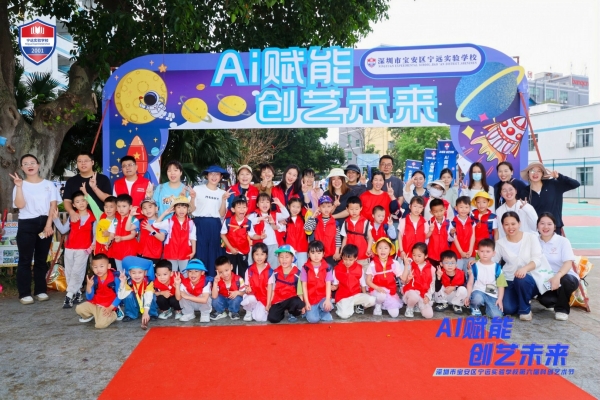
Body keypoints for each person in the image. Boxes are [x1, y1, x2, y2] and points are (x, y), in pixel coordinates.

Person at [11, 154, 61, 305]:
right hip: (27, 223)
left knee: (41, 259)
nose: (30, 165)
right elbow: (20, 205)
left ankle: (40, 290)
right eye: (25, 163)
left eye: (32, 162)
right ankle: (24, 293)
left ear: (38, 165)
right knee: (25, 260)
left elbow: (53, 206)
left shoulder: (49, 185)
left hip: (45, 223)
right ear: (22, 168)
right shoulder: (19, 185)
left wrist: (48, 224)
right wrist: (19, 186)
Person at [493, 211, 542, 320]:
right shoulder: (500, 243)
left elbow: (537, 259)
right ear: (502, 226)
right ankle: (521, 298)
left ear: (519, 223)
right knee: (507, 309)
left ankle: (525, 310)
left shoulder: (531, 237)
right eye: (506, 224)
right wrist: (478, 262)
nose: (510, 227)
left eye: (513, 224)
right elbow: (493, 261)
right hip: (509, 279)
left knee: (521, 279)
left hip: (529, 278)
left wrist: (525, 269)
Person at [52, 191, 96, 309]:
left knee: (77, 272)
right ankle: (78, 293)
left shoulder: (93, 218)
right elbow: (63, 230)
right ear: (73, 205)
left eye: (83, 200)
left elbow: (95, 234)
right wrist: (56, 219)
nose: (81, 203)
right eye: (77, 202)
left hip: (83, 249)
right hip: (69, 248)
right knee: (70, 273)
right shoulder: (73, 216)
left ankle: (69, 296)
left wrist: (92, 245)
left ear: (87, 202)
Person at [537, 213, 580, 321]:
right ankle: (557, 299)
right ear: (537, 226)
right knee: (546, 300)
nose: (545, 227)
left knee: (566, 281)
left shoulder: (563, 241)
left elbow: (568, 263)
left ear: (555, 226)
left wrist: (557, 276)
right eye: (542, 223)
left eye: (549, 224)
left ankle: (562, 309)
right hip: (546, 280)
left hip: (564, 276)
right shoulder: (534, 241)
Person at [190, 165, 232, 277]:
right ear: (207, 176)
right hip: (199, 224)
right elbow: (191, 210)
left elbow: (222, 214)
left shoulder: (222, 193)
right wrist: (192, 198)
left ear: (221, 177)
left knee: (214, 251)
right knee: (200, 251)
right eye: (211, 174)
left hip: (215, 225)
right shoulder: (197, 189)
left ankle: (214, 279)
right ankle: (199, 280)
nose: (214, 177)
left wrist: (223, 200)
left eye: (217, 174)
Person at [521, 161, 580, 234]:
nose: (535, 173)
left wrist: (559, 177)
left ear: (542, 174)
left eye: (539, 171)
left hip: (554, 229)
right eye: (532, 171)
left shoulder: (553, 184)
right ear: (528, 173)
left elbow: (576, 184)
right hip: (535, 231)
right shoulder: (525, 192)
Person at [75, 253, 121, 329]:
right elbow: (89, 298)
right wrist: (89, 286)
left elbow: (120, 296)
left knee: (100, 325)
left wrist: (110, 308)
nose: (98, 270)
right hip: (95, 303)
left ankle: (115, 314)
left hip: (108, 306)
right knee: (79, 309)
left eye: (101, 266)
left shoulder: (115, 279)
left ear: (108, 266)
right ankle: (94, 315)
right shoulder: (94, 279)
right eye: (95, 267)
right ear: (92, 268)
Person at [63, 152, 111, 221]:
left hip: (101, 219)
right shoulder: (71, 181)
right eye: (80, 161)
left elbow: (108, 200)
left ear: (92, 162)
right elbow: (67, 201)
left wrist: (95, 188)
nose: (83, 163)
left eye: (86, 161)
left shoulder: (103, 179)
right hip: (79, 219)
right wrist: (72, 212)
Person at [331, 244, 376, 319]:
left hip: (356, 295)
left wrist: (364, 295)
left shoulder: (359, 268)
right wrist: (332, 287)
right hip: (343, 297)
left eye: (350, 260)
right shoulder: (337, 269)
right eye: (345, 259)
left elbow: (363, 284)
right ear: (342, 257)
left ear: (356, 258)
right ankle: (346, 306)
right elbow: (335, 285)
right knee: (344, 315)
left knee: (372, 300)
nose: (347, 262)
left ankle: (358, 305)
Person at [465, 239, 507, 318]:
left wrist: (500, 299)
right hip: (478, 291)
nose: (484, 254)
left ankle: (485, 308)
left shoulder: (497, 268)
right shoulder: (475, 266)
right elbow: (470, 283)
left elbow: (501, 285)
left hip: (492, 293)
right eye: (482, 251)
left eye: (488, 251)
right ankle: (474, 306)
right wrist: (468, 296)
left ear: (493, 253)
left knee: (497, 316)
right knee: (477, 299)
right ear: (478, 252)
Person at [154, 196, 196, 273]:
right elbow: (156, 225)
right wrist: (165, 213)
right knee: (172, 274)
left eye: (184, 207)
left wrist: (193, 251)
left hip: (185, 253)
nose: (181, 210)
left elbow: (193, 237)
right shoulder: (170, 221)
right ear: (174, 209)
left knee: (185, 273)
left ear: (187, 209)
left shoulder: (190, 223)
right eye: (178, 207)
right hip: (171, 252)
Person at [366, 238, 404, 318]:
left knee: (394, 314)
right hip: (377, 290)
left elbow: (403, 279)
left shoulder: (395, 263)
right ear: (376, 250)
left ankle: (385, 303)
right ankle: (378, 305)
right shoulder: (372, 264)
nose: (383, 250)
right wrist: (377, 288)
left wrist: (406, 265)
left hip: (390, 291)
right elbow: (368, 281)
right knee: (381, 296)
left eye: (386, 248)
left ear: (390, 250)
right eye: (380, 248)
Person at [248, 193, 289, 268]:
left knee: (273, 266)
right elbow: (248, 222)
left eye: (267, 202)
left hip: (273, 244)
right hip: (259, 245)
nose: (265, 204)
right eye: (262, 202)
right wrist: (260, 219)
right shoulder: (254, 215)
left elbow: (286, 215)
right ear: (257, 204)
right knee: (258, 266)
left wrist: (279, 204)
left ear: (270, 204)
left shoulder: (274, 214)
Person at [266, 245, 305, 323]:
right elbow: (272, 290)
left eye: (287, 257)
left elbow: (300, 291)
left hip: (291, 300)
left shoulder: (297, 273)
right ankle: (282, 313)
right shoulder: (275, 272)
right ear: (278, 259)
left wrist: (302, 305)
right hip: (279, 300)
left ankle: (292, 313)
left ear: (292, 258)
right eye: (281, 257)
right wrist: (269, 303)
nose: (284, 260)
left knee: (297, 303)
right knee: (272, 318)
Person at [221, 197, 258, 278]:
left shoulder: (248, 222)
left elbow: (252, 235)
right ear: (233, 209)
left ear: (247, 209)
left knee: (243, 270)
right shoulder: (228, 221)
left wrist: (260, 236)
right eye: (239, 207)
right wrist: (231, 248)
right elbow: (222, 235)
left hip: (243, 250)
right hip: (230, 251)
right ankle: (232, 284)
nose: (242, 209)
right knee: (230, 270)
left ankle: (243, 284)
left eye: (244, 207)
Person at [117, 256, 159, 329]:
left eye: (140, 272)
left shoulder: (148, 282)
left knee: (151, 295)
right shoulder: (128, 282)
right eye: (133, 273)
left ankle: (151, 313)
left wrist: (145, 312)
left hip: (146, 304)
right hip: (136, 303)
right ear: (129, 273)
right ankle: (131, 314)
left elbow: (148, 297)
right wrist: (122, 283)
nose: (137, 275)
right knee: (128, 295)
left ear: (145, 272)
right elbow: (121, 296)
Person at [301, 241, 334, 323]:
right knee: (313, 320)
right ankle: (317, 312)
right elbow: (304, 286)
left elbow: (328, 284)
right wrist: (306, 302)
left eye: (319, 253)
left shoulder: (327, 267)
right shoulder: (305, 268)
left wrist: (327, 299)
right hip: (311, 299)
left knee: (328, 307)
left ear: (323, 254)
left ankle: (321, 310)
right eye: (313, 253)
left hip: (323, 297)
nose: (316, 256)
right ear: (308, 254)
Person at [304, 195, 342, 265]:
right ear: (319, 208)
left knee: (329, 270)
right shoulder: (316, 221)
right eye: (323, 207)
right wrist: (313, 216)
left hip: (331, 254)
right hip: (317, 254)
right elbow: (307, 228)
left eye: (329, 206)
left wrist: (337, 252)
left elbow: (338, 239)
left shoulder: (335, 223)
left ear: (332, 207)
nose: (326, 209)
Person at [400, 242, 435, 319]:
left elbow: (432, 285)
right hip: (411, 291)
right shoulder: (410, 265)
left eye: (419, 256)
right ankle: (410, 308)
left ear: (426, 255)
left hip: (423, 294)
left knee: (429, 315)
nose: (416, 258)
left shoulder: (432, 269)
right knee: (414, 296)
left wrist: (428, 296)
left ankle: (417, 305)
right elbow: (403, 281)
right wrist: (408, 277)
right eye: (414, 255)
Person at [340, 196, 374, 271]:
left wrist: (368, 249)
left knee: (364, 273)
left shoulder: (365, 222)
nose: (354, 211)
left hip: (363, 255)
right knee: (351, 274)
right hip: (350, 257)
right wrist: (342, 251)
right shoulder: (346, 222)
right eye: (351, 209)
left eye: (356, 209)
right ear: (347, 209)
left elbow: (370, 237)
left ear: (361, 208)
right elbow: (345, 238)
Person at [241, 243, 273, 322]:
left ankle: (256, 310)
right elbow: (246, 286)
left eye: (262, 254)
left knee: (259, 319)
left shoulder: (270, 271)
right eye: (257, 254)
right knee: (251, 298)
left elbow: (270, 289)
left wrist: (268, 304)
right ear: (253, 255)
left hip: (263, 298)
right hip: (252, 296)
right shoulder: (249, 270)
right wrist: (247, 289)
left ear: (266, 255)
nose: (259, 257)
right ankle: (249, 311)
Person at [108, 194, 139, 271]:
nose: (121, 209)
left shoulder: (134, 220)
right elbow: (111, 234)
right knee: (120, 271)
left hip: (130, 251)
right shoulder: (115, 220)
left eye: (124, 206)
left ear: (130, 207)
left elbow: (133, 234)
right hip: (117, 250)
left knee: (131, 271)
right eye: (119, 206)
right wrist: (108, 243)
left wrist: (121, 238)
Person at [211, 256, 246, 320]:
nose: (225, 274)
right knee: (215, 300)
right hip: (222, 301)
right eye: (221, 272)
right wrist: (215, 283)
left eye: (226, 270)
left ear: (231, 267)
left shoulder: (239, 279)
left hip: (233, 300)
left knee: (237, 298)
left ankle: (234, 312)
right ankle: (220, 312)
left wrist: (237, 292)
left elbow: (244, 293)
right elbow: (214, 296)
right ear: (217, 272)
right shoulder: (217, 280)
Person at [433, 250, 467, 314]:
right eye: (446, 263)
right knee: (438, 285)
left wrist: (454, 288)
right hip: (443, 296)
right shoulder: (439, 272)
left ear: (456, 264)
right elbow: (436, 289)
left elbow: (465, 286)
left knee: (463, 289)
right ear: (441, 264)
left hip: (455, 297)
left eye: (452, 263)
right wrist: (438, 277)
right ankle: (442, 303)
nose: (450, 265)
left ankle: (457, 305)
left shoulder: (461, 273)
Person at [133, 199, 166, 264]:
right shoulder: (141, 221)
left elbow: (162, 238)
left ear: (156, 209)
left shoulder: (162, 223)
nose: (148, 210)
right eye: (145, 208)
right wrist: (131, 215)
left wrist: (151, 229)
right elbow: (128, 228)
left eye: (150, 207)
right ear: (142, 211)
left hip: (154, 255)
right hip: (141, 254)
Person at [449, 196, 476, 271]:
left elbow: (473, 236)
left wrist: (470, 250)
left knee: (470, 272)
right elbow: (454, 238)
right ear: (456, 208)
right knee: (457, 272)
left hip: (469, 253)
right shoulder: (452, 223)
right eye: (461, 207)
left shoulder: (472, 222)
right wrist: (461, 252)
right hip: (457, 253)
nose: (464, 210)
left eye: (466, 207)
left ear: (470, 208)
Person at [426, 198, 451, 266]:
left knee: (443, 272)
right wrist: (430, 231)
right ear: (431, 212)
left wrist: (452, 233)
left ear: (445, 209)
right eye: (436, 212)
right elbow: (425, 237)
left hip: (445, 255)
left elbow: (450, 239)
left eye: (441, 210)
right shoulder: (428, 223)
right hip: (431, 255)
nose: (439, 213)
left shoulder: (449, 223)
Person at [285, 198, 309, 269]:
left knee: (302, 269)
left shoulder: (304, 219)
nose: (295, 209)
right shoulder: (285, 220)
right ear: (289, 206)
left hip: (302, 249)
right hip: (290, 250)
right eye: (293, 206)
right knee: (291, 270)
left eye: (298, 207)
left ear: (301, 208)